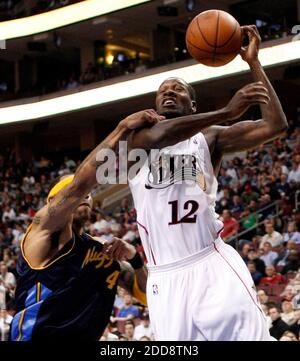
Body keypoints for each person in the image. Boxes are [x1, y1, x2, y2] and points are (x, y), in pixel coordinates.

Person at [124, 25, 287, 340]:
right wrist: (226, 111)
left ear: (193, 105)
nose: (169, 91)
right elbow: (165, 133)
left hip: (210, 262)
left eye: (178, 89)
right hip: (164, 279)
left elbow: (275, 125)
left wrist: (253, 64)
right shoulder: (138, 141)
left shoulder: (209, 138)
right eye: (164, 90)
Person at [10, 111, 157, 341]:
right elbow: (80, 184)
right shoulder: (43, 232)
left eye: (89, 195)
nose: (86, 196)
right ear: (54, 202)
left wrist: (135, 259)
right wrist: (122, 129)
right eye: (77, 193)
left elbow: (150, 297)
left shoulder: (102, 251)